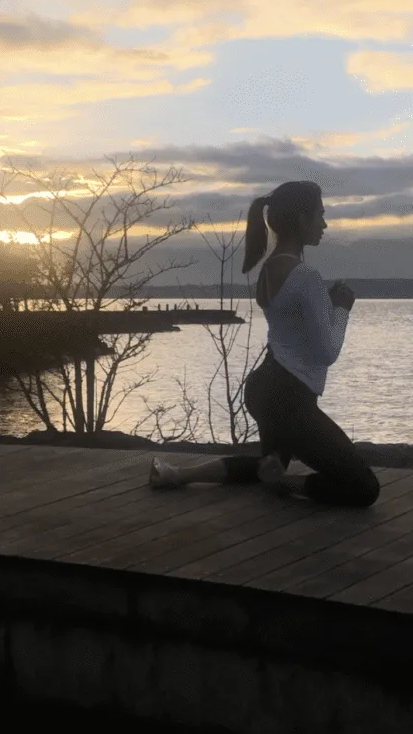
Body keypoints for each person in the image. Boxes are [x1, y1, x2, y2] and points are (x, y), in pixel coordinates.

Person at [149, 180, 380, 508]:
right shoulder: (306, 277)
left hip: (264, 388)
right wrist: (342, 308)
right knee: (364, 487)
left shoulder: (269, 269)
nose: (324, 224)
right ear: (302, 220)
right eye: (320, 215)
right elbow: (327, 352)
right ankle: (280, 482)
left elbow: (292, 327)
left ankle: (175, 475)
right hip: (290, 398)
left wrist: (325, 305)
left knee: (269, 461)